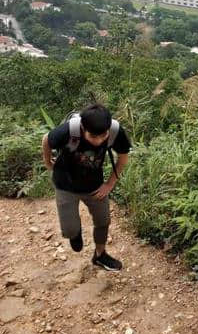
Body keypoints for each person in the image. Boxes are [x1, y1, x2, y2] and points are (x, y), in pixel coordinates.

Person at [41, 104, 131, 271]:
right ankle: (74, 232)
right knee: (70, 231)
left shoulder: (114, 131)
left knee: (103, 221)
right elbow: (46, 139)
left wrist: (110, 183)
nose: (99, 141)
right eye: (93, 136)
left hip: (94, 186)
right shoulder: (69, 130)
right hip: (65, 185)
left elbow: (123, 157)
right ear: (83, 127)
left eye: (103, 136)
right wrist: (47, 163)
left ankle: (100, 255)